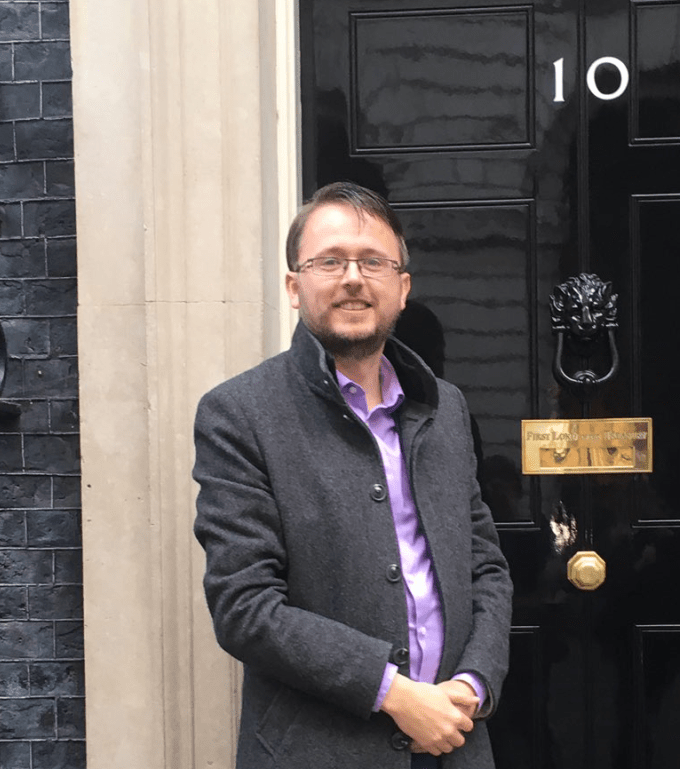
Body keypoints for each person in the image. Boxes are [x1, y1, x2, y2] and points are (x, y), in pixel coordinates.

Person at [192, 182, 513, 769]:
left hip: (455, 743)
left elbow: (484, 564)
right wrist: (394, 693)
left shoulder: (446, 407)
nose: (353, 278)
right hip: (319, 751)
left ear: (403, 288)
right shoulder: (238, 414)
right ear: (294, 286)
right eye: (330, 261)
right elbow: (245, 607)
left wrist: (472, 684)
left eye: (374, 262)